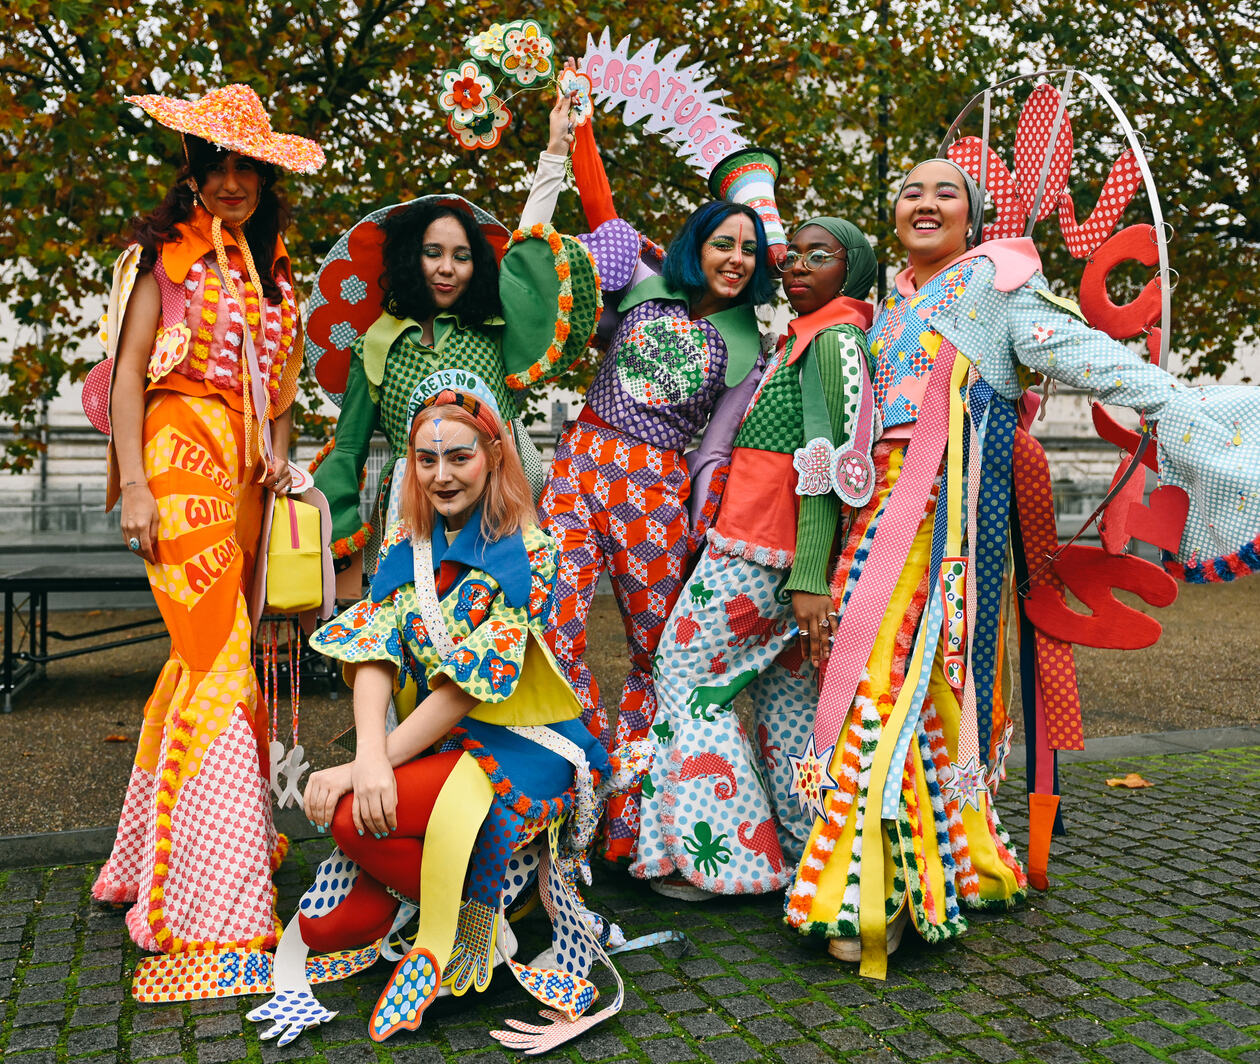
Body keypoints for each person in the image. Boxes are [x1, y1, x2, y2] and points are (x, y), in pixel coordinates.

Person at [782, 158, 1260, 977]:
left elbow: (1089, 359)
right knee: (907, 687)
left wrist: (1181, 409)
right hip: (873, 518)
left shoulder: (999, 284)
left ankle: (872, 894)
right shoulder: (886, 305)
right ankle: (944, 869)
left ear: (975, 216)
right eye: (910, 190)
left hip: (940, 524)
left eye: (946, 192)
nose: (925, 202)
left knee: (883, 685)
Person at [260, 372, 639, 1045]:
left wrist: (363, 769)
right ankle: (497, 903)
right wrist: (369, 756)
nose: (441, 474)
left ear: (494, 455)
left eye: (459, 456)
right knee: (327, 930)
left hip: (523, 745)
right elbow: (373, 645)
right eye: (426, 458)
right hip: (444, 743)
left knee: (352, 817)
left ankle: (475, 925)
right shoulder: (408, 540)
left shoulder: (529, 548)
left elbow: (467, 687)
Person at [91, 85, 325, 965]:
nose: (232, 181)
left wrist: (276, 452)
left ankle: (146, 861)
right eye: (218, 165)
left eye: (247, 168)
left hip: (244, 477)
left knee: (218, 650)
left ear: (264, 179)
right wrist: (137, 487)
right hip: (178, 455)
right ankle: (212, 896)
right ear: (193, 171)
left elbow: (281, 394)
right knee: (217, 654)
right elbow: (126, 379)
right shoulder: (163, 257)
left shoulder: (275, 270)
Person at [631, 217, 879, 898]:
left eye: (818, 256)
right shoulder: (812, 337)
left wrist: (807, 574)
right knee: (786, 703)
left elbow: (827, 465)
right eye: (792, 255)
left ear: (851, 269)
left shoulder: (832, 342)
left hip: (763, 554)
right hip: (771, 554)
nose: (797, 266)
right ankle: (814, 847)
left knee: (684, 677)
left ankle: (731, 861)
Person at [537, 192, 775, 854]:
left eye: (749, 249)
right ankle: (564, 799)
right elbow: (570, 306)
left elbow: (717, 444)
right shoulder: (647, 287)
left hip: (656, 491)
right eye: (723, 242)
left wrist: (703, 524)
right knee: (552, 628)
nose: (735, 258)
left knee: (654, 650)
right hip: (580, 464)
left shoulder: (749, 342)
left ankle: (632, 823)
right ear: (696, 244)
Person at [312, 92, 598, 594]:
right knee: (413, 631)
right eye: (433, 253)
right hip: (416, 513)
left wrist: (556, 150)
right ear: (409, 259)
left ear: (477, 266)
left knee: (498, 634)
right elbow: (350, 446)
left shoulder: (493, 328)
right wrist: (337, 530)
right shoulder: (374, 345)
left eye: (462, 255)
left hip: (503, 507)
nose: (447, 267)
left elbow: (529, 240)